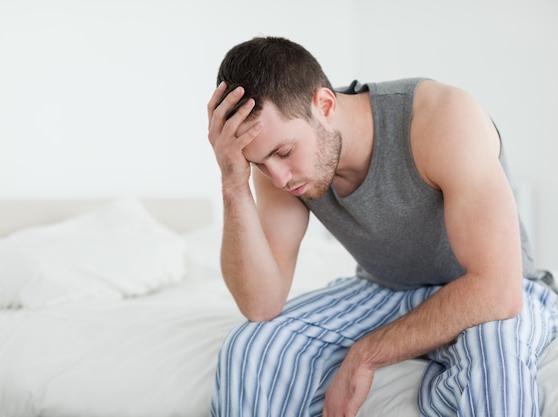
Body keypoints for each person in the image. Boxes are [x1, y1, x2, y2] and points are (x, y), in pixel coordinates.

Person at [206, 36, 557, 417]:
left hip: (487, 289)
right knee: (252, 348)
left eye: (284, 152)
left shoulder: (442, 117)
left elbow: (498, 291)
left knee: (495, 366)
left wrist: (367, 355)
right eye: (259, 163)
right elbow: (262, 304)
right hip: (385, 289)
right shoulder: (276, 166)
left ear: (324, 104)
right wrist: (233, 182)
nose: (278, 178)